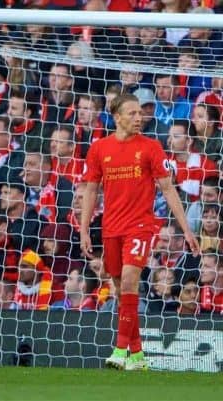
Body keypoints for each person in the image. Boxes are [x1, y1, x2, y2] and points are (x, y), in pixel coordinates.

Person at [80, 93, 200, 371]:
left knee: (132, 281)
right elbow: (90, 191)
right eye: (132, 113)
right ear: (117, 117)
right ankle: (137, 355)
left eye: (140, 113)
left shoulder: (150, 147)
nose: (138, 118)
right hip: (111, 227)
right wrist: (85, 229)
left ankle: (120, 350)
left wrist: (187, 230)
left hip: (141, 226)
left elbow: (168, 189)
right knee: (121, 292)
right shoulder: (100, 149)